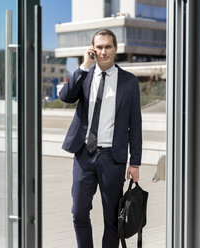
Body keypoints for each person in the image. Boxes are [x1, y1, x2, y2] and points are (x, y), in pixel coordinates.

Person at [59, 29, 142, 248]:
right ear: (93, 49)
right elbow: (65, 96)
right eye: (99, 47)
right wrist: (84, 65)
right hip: (84, 155)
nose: (103, 51)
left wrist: (135, 162)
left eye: (108, 47)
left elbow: (136, 125)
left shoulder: (129, 82)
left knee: (113, 219)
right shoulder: (84, 76)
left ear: (115, 49)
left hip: (112, 158)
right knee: (78, 213)